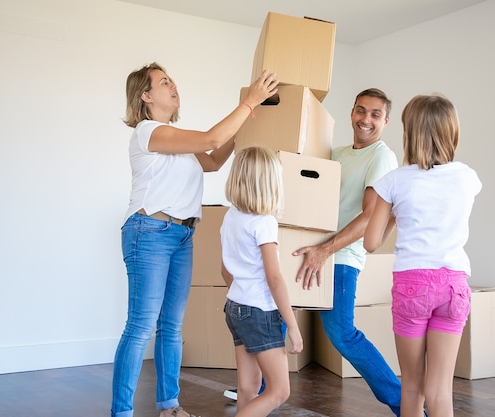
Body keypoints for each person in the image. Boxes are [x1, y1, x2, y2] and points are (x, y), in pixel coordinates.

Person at [111, 62, 279, 417]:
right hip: (149, 232)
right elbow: (211, 139)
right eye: (164, 82)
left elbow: (216, 158)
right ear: (146, 96)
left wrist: (249, 115)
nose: (174, 87)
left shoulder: (179, 141)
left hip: (182, 234)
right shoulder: (148, 132)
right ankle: (121, 412)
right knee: (141, 325)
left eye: (172, 81)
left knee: (171, 326)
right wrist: (249, 102)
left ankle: (169, 406)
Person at [364, 94, 482, 417]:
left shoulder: (393, 181)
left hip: (412, 285)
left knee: (413, 386)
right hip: (454, 286)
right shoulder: (467, 177)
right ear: (451, 133)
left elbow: (371, 242)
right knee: (440, 391)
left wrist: (394, 213)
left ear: (408, 133)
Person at [292, 88, 406, 416]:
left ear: (385, 121)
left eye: (374, 114)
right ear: (352, 112)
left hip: (339, 257)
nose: (365, 119)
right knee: (273, 315)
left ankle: (405, 407)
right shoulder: (336, 153)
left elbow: (370, 216)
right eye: (360, 111)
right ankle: (256, 391)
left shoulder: (382, 156)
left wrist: (325, 250)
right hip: (310, 249)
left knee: (342, 333)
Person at [220, 146, 304, 417]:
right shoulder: (264, 222)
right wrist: (293, 326)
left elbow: (224, 270)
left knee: (248, 387)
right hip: (259, 312)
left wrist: (242, 296)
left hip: (235, 307)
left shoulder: (231, 217)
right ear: (271, 183)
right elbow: (275, 278)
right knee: (279, 391)